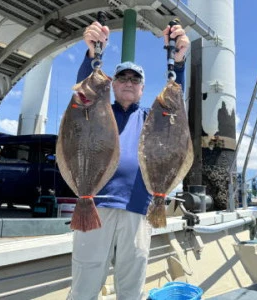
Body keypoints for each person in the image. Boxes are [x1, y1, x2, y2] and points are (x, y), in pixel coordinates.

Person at [67, 21, 190, 300]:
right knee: (85, 281)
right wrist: (91, 56)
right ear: (113, 84)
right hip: (94, 206)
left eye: (135, 80)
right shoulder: (97, 110)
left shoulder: (150, 118)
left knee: (131, 284)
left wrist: (179, 63)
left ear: (143, 88)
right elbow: (84, 93)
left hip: (138, 208)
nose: (128, 83)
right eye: (122, 78)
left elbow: (175, 110)